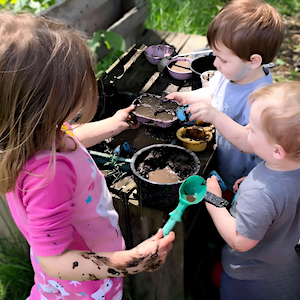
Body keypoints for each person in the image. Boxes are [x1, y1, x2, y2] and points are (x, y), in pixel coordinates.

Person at [0, 12, 175, 300]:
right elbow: (54, 261)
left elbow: (70, 136)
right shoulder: (48, 176)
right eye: (76, 86)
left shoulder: (34, 138)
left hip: (81, 274)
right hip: (84, 287)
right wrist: (129, 262)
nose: (83, 90)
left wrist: (114, 123)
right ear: (46, 104)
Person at [166, 0, 285, 193]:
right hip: (224, 158)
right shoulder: (230, 74)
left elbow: (249, 143)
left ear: (253, 61)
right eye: (215, 56)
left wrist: (214, 116)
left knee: (232, 199)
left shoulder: (261, 99)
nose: (216, 63)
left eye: (223, 59)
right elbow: (214, 94)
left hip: (242, 174)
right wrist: (187, 97)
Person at [205, 81, 300, 300]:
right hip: (283, 264)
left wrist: (213, 201)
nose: (246, 127)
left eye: (253, 128)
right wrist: (252, 180)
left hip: (249, 279)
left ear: (277, 152)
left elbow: (240, 241)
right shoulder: (287, 167)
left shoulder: (260, 193)